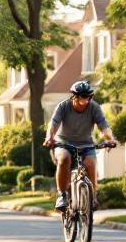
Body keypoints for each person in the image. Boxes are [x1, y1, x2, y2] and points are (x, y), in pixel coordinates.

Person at [43, 80, 116, 211]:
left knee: (91, 164)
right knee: (64, 159)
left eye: (88, 97)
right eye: (82, 96)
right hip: (64, 143)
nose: (85, 100)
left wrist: (110, 138)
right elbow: (53, 124)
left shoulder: (94, 107)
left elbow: (104, 126)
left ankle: (93, 197)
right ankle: (62, 194)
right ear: (74, 96)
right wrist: (50, 137)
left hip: (86, 144)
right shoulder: (63, 106)